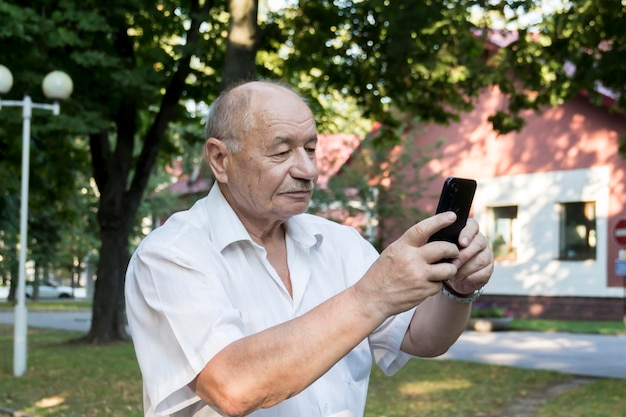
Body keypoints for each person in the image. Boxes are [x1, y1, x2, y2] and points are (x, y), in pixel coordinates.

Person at [125, 80, 494, 417]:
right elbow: (233, 387)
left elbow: (420, 337)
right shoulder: (170, 255)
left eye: (311, 148)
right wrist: (370, 297)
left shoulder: (341, 243)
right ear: (220, 159)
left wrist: (457, 289)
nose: (307, 170)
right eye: (281, 152)